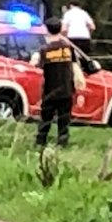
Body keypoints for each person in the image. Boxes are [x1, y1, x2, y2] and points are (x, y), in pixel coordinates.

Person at [35, 15, 80, 148]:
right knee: (64, 120)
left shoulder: (45, 50)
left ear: (47, 30)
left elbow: (38, 66)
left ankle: (40, 143)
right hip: (66, 89)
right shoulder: (68, 48)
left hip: (50, 90)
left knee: (45, 119)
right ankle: (62, 143)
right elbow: (74, 63)